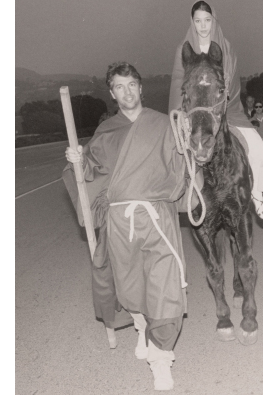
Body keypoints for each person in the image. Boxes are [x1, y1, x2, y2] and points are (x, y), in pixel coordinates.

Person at [67, 62, 188, 391]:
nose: (127, 91)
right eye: (119, 87)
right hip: (121, 221)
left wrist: (191, 149)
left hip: (157, 215)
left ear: (141, 87)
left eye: (132, 84)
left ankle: (161, 358)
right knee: (131, 289)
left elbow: (183, 166)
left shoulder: (164, 125)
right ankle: (140, 326)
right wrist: (80, 160)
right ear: (112, 93)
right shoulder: (106, 131)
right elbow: (91, 172)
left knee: (165, 287)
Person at [168, 0, 263, 220]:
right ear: (192, 22)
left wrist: (218, 107)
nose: (203, 26)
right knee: (172, 150)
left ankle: (256, 191)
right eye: (198, 21)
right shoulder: (183, 49)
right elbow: (176, 84)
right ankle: (173, 199)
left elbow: (232, 84)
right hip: (192, 111)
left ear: (214, 20)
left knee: (257, 149)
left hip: (225, 108)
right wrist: (178, 115)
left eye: (207, 20)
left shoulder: (225, 47)